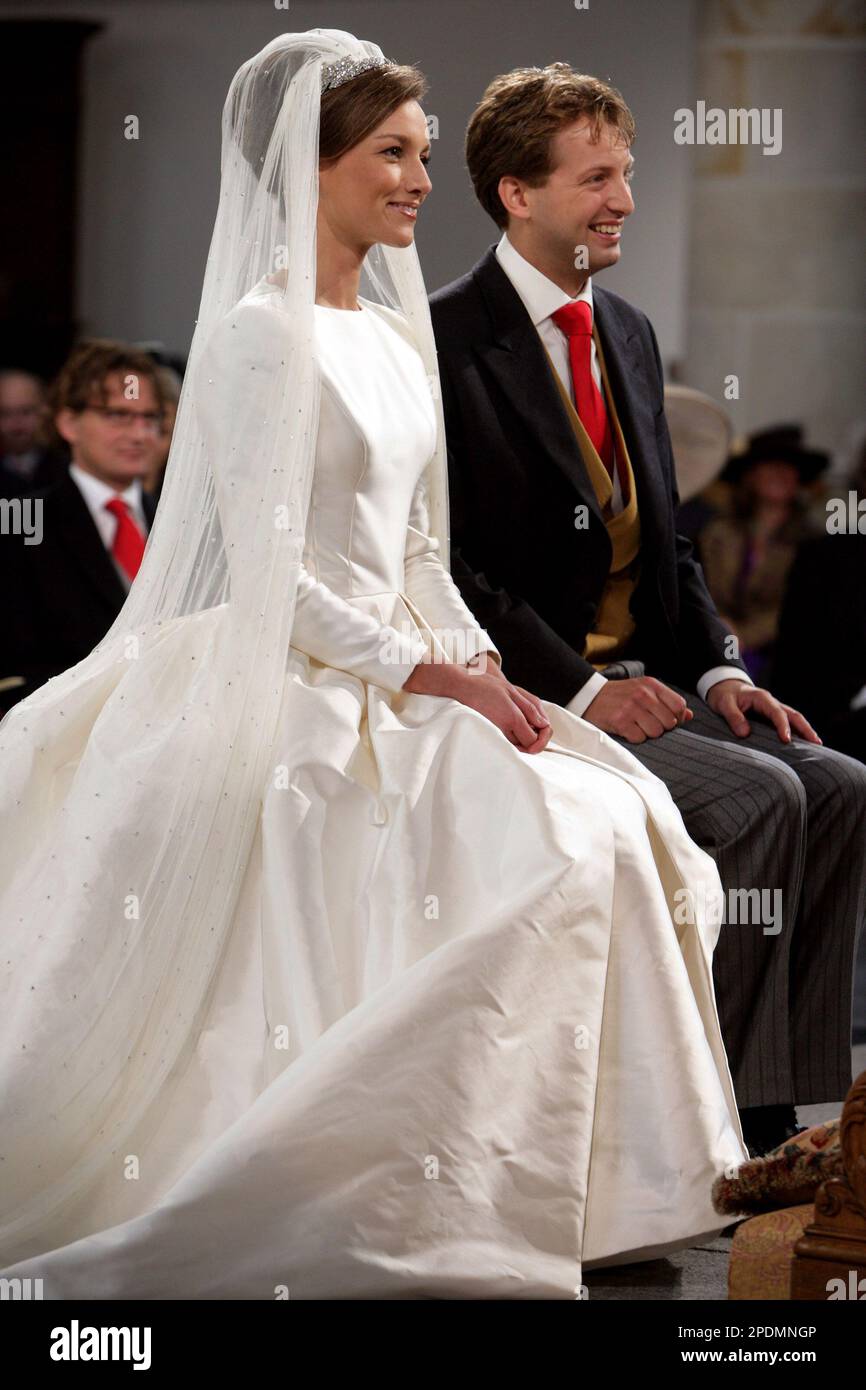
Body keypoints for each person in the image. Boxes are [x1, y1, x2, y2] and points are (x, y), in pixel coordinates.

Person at [0, 30, 749, 1300]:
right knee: (552, 843)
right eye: (391, 154)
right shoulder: (256, 335)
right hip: (293, 677)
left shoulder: (392, 338)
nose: (417, 178)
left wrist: (479, 668)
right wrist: (430, 678)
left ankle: (594, 1185)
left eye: (417, 151)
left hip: (411, 662)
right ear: (316, 168)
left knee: (619, 812)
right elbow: (279, 569)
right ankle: (420, 1181)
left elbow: (415, 550)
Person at [429, 62, 866, 1159]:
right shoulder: (438, 340)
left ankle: (789, 1114)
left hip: (662, 683)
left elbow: (665, 539)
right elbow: (446, 562)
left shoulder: (622, 329)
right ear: (515, 195)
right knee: (765, 799)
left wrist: (723, 669)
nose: (624, 199)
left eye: (625, 174)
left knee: (842, 785)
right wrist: (580, 688)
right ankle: (706, 1128)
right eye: (596, 179)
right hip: (539, 693)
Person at [0, 341, 162, 711]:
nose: (138, 434)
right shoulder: (22, 520)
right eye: (117, 416)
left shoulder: (177, 523)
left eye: (149, 418)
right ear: (68, 422)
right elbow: (14, 661)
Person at [697, 424, 829, 686]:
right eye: (770, 465)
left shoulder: (814, 541)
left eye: (788, 466)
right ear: (751, 475)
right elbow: (700, 587)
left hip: (784, 655)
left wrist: (744, 636)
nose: (779, 473)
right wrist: (721, 627)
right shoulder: (717, 532)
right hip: (717, 640)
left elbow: (806, 607)